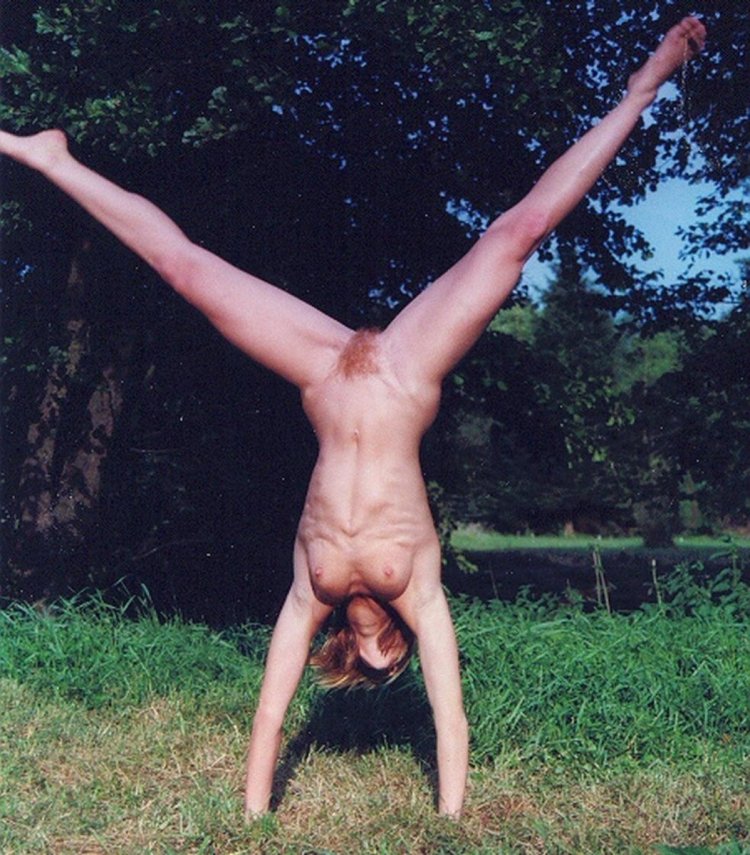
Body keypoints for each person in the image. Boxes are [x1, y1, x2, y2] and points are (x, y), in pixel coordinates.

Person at [0, 16, 706, 818]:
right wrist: (451, 821)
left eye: (373, 663)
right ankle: (642, 90)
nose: (383, 656)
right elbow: (451, 716)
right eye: (390, 659)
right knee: (517, 233)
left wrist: (253, 818)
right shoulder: (423, 595)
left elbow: (271, 711)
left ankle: (51, 160)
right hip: (403, 368)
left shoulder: (312, 593)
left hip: (328, 375)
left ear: (348, 649)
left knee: (185, 269)